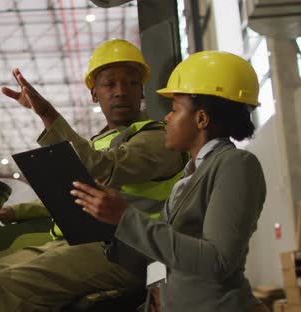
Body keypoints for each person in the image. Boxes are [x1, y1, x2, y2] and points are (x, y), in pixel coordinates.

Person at [0, 39, 186, 312]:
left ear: (141, 91)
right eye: (110, 84)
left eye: (130, 83)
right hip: (76, 242)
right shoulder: (97, 143)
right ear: (95, 94)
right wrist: (14, 212)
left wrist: (48, 114)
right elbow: (73, 196)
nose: (120, 91)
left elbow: (104, 169)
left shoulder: (158, 138)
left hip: (127, 251)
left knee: (5, 286)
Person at [72, 51, 268, 312]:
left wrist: (125, 217)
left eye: (175, 109)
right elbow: (162, 253)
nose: (167, 118)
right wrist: (155, 288)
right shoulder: (188, 176)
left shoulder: (236, 166)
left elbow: (218, 262)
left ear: (201, 119)